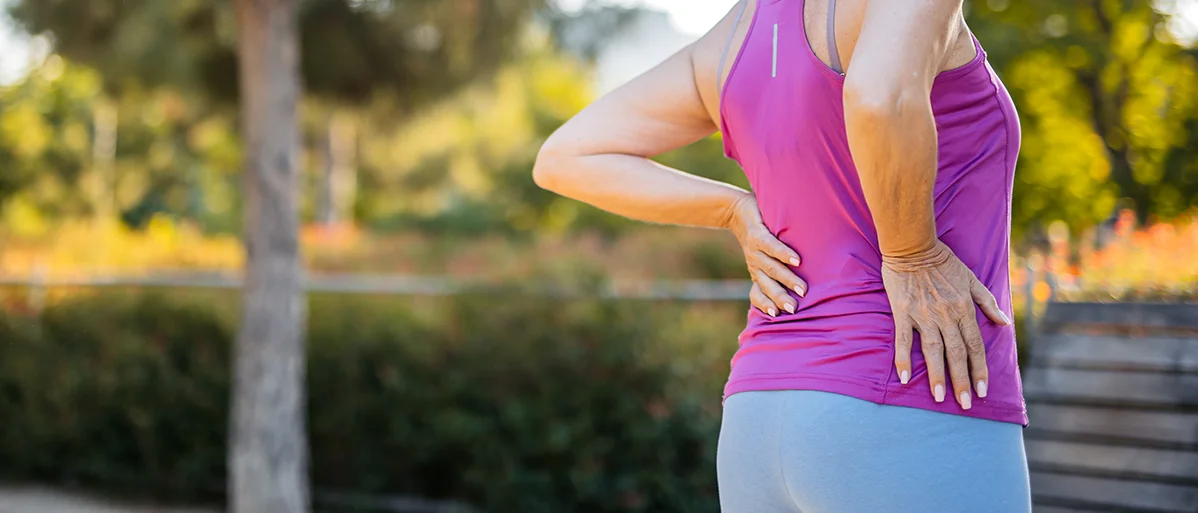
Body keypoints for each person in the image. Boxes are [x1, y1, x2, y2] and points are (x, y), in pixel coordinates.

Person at [533, 0, 1031, 511]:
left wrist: (732, 209)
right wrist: (912, 254)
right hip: (911, 395)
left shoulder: (732, 34)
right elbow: (878, 98)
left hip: (758, 418)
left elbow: (567, 156)